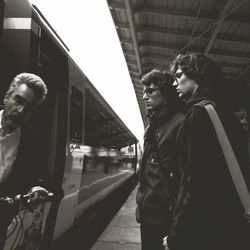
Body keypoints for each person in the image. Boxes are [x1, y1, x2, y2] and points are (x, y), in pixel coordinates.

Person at [163, 53, 250, 250]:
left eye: (179, 75)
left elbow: (194, 183)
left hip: (206, 231)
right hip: (230, 225)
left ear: (197, 74)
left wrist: (176, 235)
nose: (175, 83)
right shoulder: (226, 113)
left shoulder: (198, 114)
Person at [135, 69, 185, 250]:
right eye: (143, 92)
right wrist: (141, 202)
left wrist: (178, 226)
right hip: (148, 215)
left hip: (165, 218)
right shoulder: (153, 127)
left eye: (150, 92)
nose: (144, 96)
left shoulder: (179, 124)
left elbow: (185, 179)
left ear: (166, 94)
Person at [0, 72, 50, 249]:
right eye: (18, 100)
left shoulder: (32, 141)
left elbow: (38, 177)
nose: (21, 110)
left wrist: (36, 187)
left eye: (28, 107)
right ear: (7, 97)